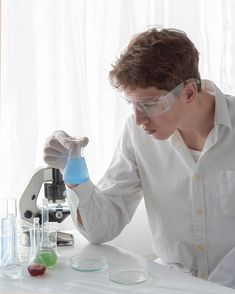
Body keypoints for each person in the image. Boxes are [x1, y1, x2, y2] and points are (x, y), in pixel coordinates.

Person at [43, 28, 235, 288]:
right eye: (132, 103)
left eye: (150, 104)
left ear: (188, 93)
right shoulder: (137, 133)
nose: (138, 119)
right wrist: (74, 175)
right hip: (172, 283)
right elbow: (102, 229)